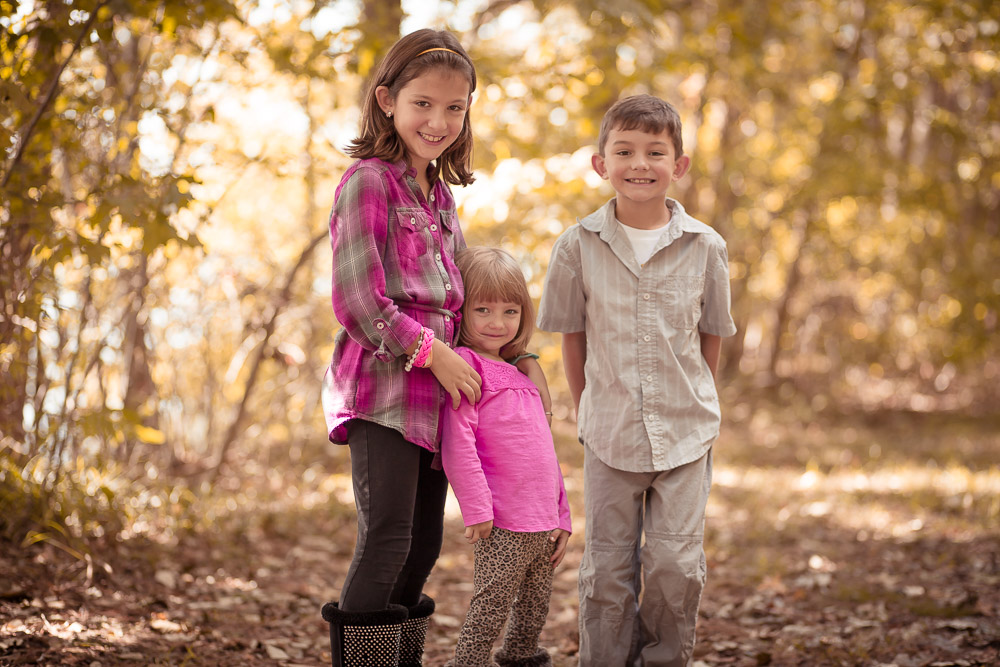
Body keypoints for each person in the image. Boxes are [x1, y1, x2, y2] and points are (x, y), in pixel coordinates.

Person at [537, 94, 737, 666]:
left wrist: (697, 399)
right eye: (623, 151)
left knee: (675, 567)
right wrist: (586, 406)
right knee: (607, 569)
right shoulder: (576, 246)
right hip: (610, 432)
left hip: (685, 433)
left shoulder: (706, 247)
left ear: (680, 164)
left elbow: (712, 334)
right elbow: (570, 334)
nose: (639, 163)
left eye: (655, 151)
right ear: (601, 164)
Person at [318, 29, 484, 667]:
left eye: (454, 108)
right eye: (423, 104)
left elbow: (460, 297)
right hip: (385, 388)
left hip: (438, 400)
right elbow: (359, 301)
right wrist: (433, 353)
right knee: (386, 536)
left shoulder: (441, 198)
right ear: (387, 99)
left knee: (421, 546)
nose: (438, 121)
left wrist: (507, 359)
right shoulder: (368, 183)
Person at [441, 246, 572, 667]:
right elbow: (457, 442)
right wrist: (476, 509)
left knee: (533, 615)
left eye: (510, 312)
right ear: (462, 312)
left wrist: (562, 515)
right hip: (503, 521)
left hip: (543, 524)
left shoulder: (522, 372)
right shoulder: (465, 364)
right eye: (483, 310)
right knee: (490, 609)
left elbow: (544, 453)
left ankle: (520, 660)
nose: (497, 323)